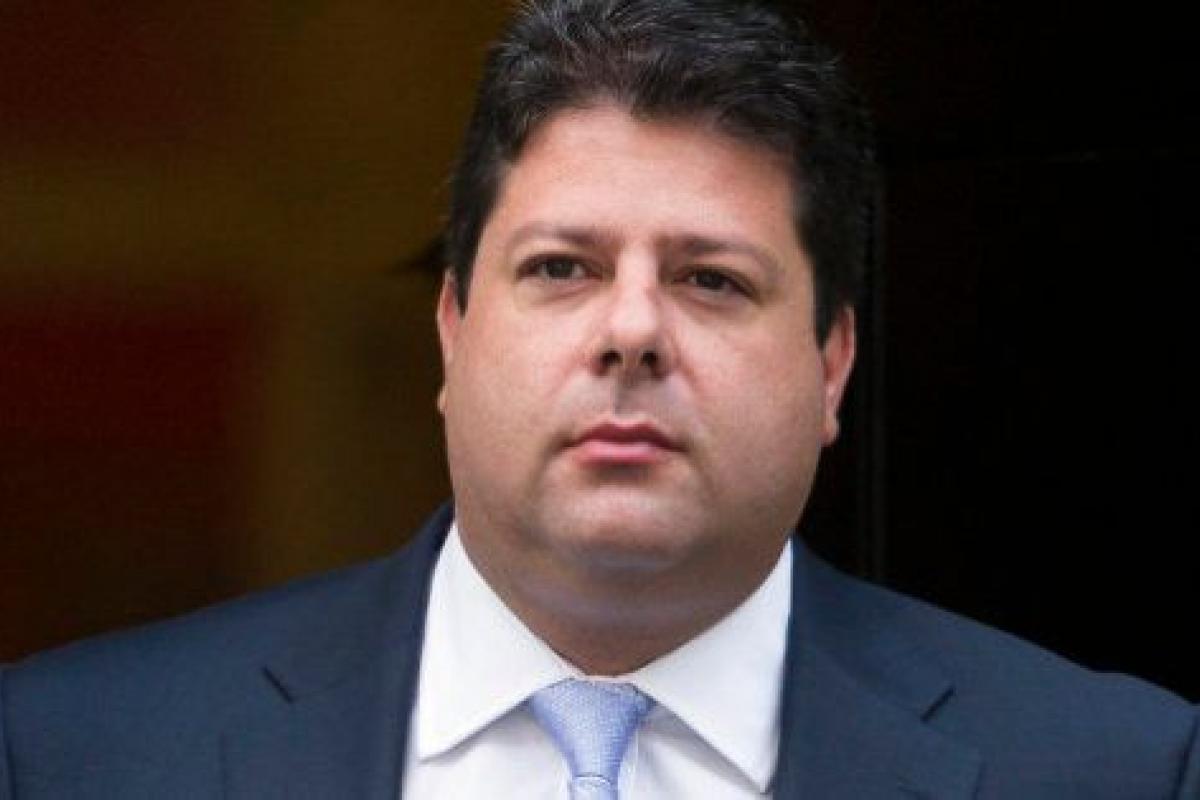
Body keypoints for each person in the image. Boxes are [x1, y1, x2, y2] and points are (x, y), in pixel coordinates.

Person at [1, 0, 1196, 797]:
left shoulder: (1113, 769)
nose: (632, 330)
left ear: (832, 363)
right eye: (563, 267)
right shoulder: (70, 753)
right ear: (452, 327)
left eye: (711, 279)